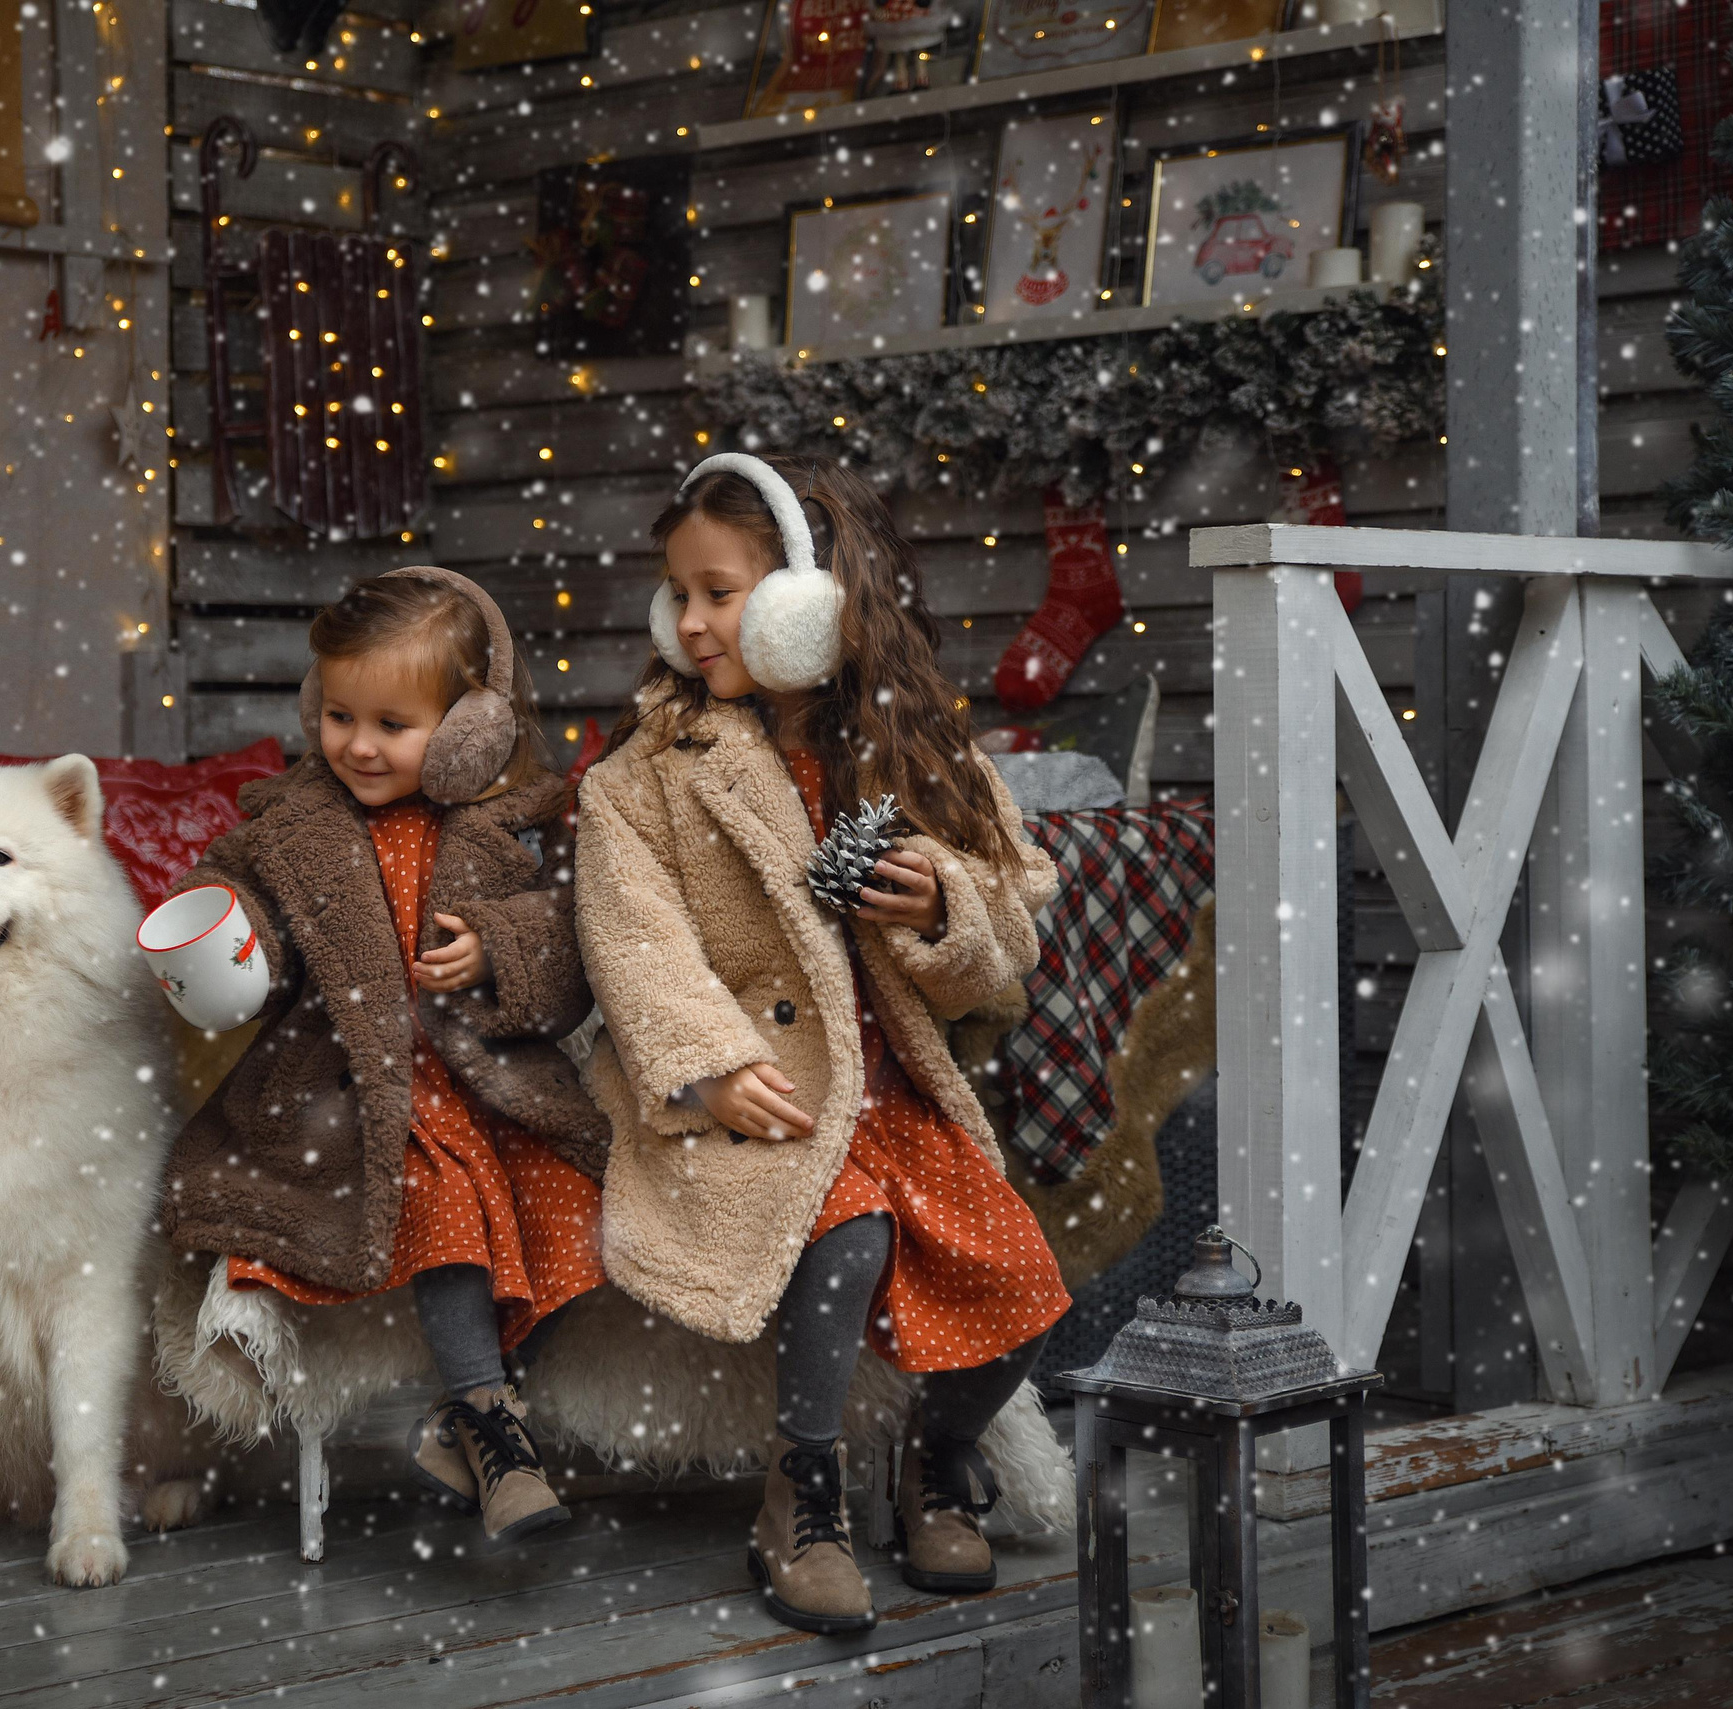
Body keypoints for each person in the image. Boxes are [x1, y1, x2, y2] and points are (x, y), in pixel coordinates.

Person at [574, 453, 1071, 1633]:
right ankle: (802, 1491)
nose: (691, 623)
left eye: (720, 591)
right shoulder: (647, 775)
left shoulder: (915, 751)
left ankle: (937, 1456)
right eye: (677, 597)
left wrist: (937, 906)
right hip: (763, 1091)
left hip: (892, 1083)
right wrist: (704, 1062)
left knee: (1021, 1277)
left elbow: (1014, 915)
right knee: (837, 1231)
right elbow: (629, 936)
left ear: (811, 595)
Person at [159, 566, 609, 1545]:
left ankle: (462, 1419)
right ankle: (497, 1434)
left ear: (469, 729)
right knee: (441, 1200)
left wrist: (501, 945)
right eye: (339, 715)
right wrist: (230, 937)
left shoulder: (509, 823)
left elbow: (572, 937)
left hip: (481, 1078)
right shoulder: (292, 826)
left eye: (392, 725)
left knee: (592, 1205)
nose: (358, 745)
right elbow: (233, 892)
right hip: (345, 1081)